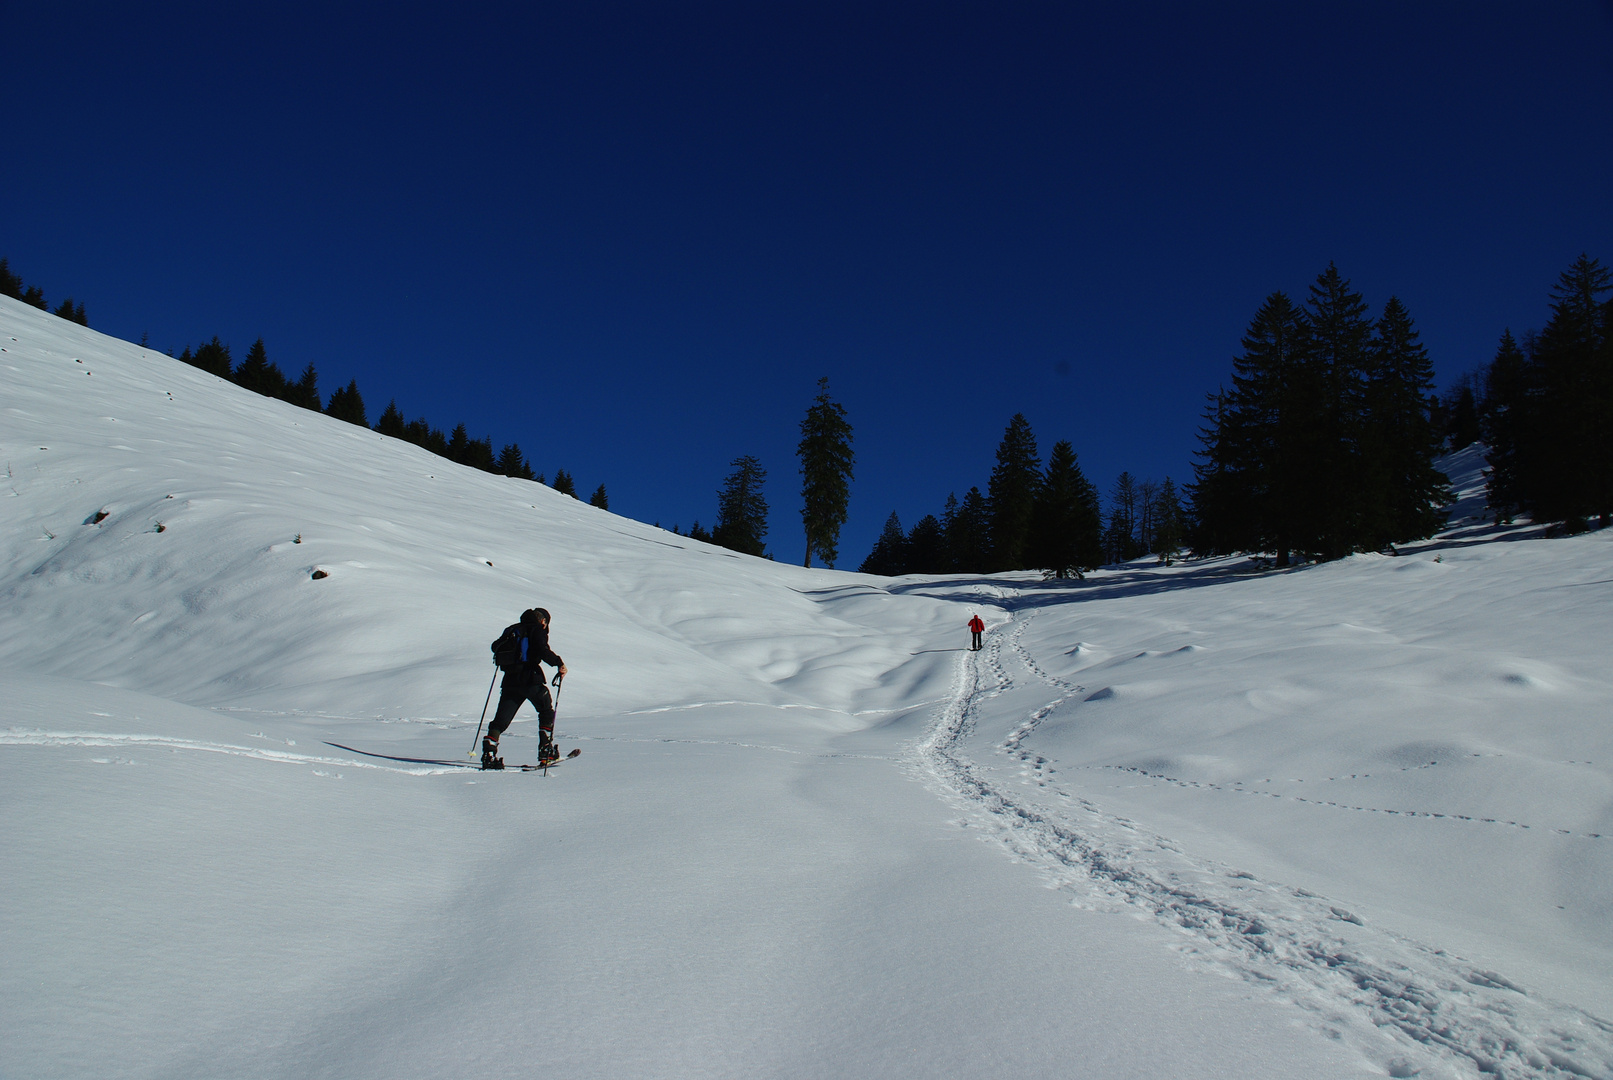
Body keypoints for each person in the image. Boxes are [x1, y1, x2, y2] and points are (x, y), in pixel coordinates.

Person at [484, 607, 568, 769]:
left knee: (501, 720)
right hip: (530, 678)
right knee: (545, 710)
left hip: (509, 680)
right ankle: (546, 750)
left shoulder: (512, 629)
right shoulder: (537, 629)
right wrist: (559, 663)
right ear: (543, 621)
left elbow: (495, 647)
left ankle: (488, 753)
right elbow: (542, 650)